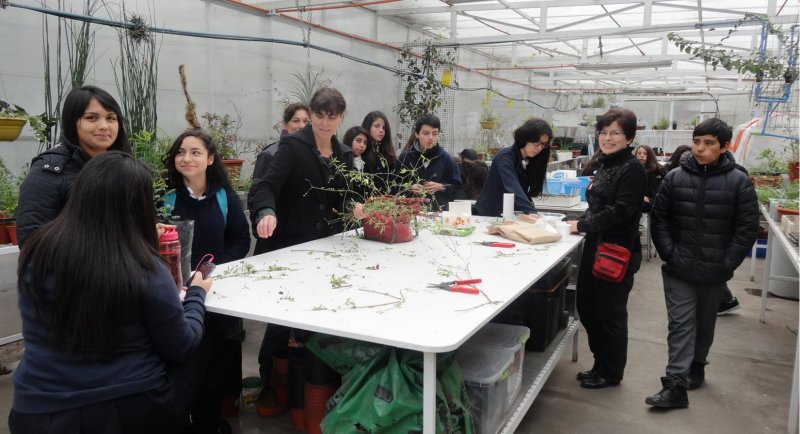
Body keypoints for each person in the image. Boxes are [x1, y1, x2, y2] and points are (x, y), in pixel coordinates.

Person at [10, 151, 212, 434]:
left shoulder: (38, 251)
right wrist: (196, 295)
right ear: (138, 206)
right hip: (126, 411)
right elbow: (182, 345)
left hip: (36, 410)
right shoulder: (142, 265)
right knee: (203, 338)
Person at [250, 87, 353, 417]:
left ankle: (308, 392)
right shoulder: (293, 147)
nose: (325, 123)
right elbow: (266, 185)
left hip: (327, 251)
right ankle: (273, 382)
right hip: (290, 247)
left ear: (341, 118)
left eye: (332, 117)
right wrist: (266, 211)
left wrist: (356, 207)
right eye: (320, 115)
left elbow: (344, 197)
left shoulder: (343, 154)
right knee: (283, 318)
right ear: (313, 114)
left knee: (316, 318)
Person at [645, 118, 759, 408]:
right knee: (681, 323)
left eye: (708, 143)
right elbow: (660, 219)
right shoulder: (675, 177)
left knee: (704, 324)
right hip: (678, 267)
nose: (700, 148)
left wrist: (727, 263)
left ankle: (697, 364)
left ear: (724, 147)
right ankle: (675, 385)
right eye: (697, 141)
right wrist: (670, 253)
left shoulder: (738, 181)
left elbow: (747, 227)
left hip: (714, 269)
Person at [162, 129, 250, 433]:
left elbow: (240, 239)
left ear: (210, 159)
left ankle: (206, 422)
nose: (187, 158)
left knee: (212, 363)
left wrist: (212, 269)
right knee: (181, 362)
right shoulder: (166, 198)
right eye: (181, 152)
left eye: (196, 152)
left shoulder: (225, 197)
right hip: (174, 295)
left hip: (213, 292)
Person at [566, 108, 646, 389]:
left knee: (610, 313)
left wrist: (582, 225)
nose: (607, 138)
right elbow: (599, 206)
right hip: (596, 248)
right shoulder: (607, 164)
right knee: (588, 308)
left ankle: (611, 372)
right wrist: (583, 221)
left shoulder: (632, 169)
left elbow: (621, 212)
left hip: (616, 252)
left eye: (615, 133)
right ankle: (600, 363)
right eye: (603, 132)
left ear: (629, 137)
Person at [16, 85, 131, 246]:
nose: (104, 126)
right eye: (92, 118)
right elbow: (32, 240)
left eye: (111, 118)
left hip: (124, 267)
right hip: (73, 269)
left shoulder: (124, 166)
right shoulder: (50, 171)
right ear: (71, 121)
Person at [473, 118, 551, 216]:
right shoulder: (505, 157)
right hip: (489, 215)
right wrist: (531, 211)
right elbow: (512, 186)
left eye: (543, 144)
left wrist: (530, 209)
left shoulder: (531, 160)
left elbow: (523, 191)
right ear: (525, 138)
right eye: (537, 143)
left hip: (511, 215)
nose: (540, 148)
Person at [248, 103, 310, 216]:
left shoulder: (318, 154)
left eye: (306, 121)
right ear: (285, 124)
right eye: (295, 121)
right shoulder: (270, 154)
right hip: (280, 227)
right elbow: (256, 196)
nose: (302, 126)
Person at [396, 114, 462, 211]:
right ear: (417, 134)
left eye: (435, 133)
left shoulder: (446, 159)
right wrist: (410, 187)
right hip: (410, 213)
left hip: (439, 214)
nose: (431, 138)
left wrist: (442, 187)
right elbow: (394, 186)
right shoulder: (405, 157)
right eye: (426, 133)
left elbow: (458, 189)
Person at [634, 144, 664, 211]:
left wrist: (649, 199)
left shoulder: (658, 171)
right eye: (639, 153)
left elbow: (659, 194)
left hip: (653, 204)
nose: (641, 155)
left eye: (645, 153)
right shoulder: (631, 170)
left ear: (650, 155)